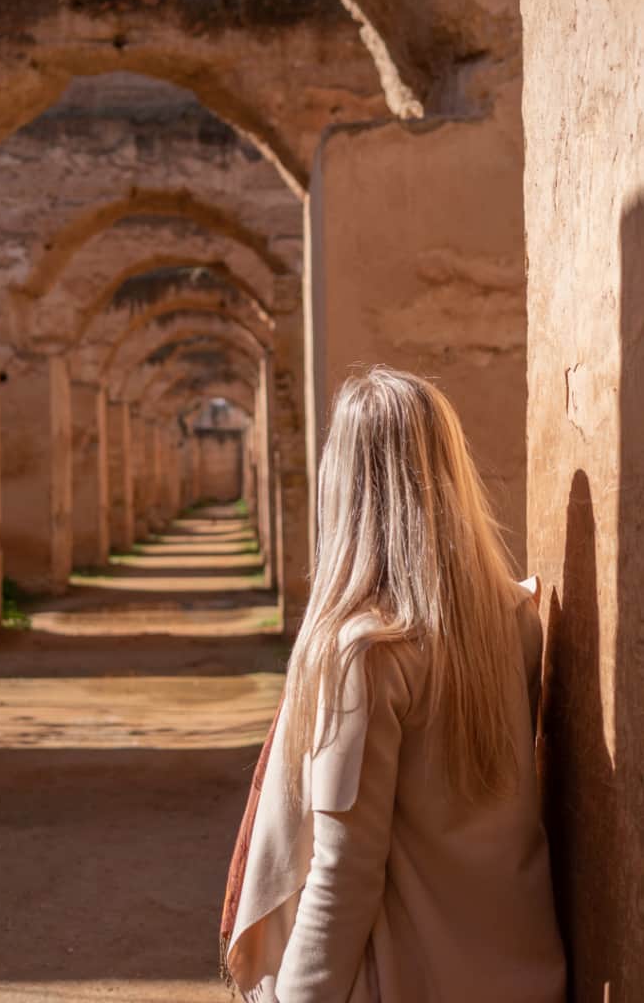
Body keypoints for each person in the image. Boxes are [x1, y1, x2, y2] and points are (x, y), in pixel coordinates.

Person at [221, 367, 566, 1003]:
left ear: (345, 486)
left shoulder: (366, 653)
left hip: (413, 980)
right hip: (523, 971)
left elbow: (344, 869)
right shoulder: (515, 619)